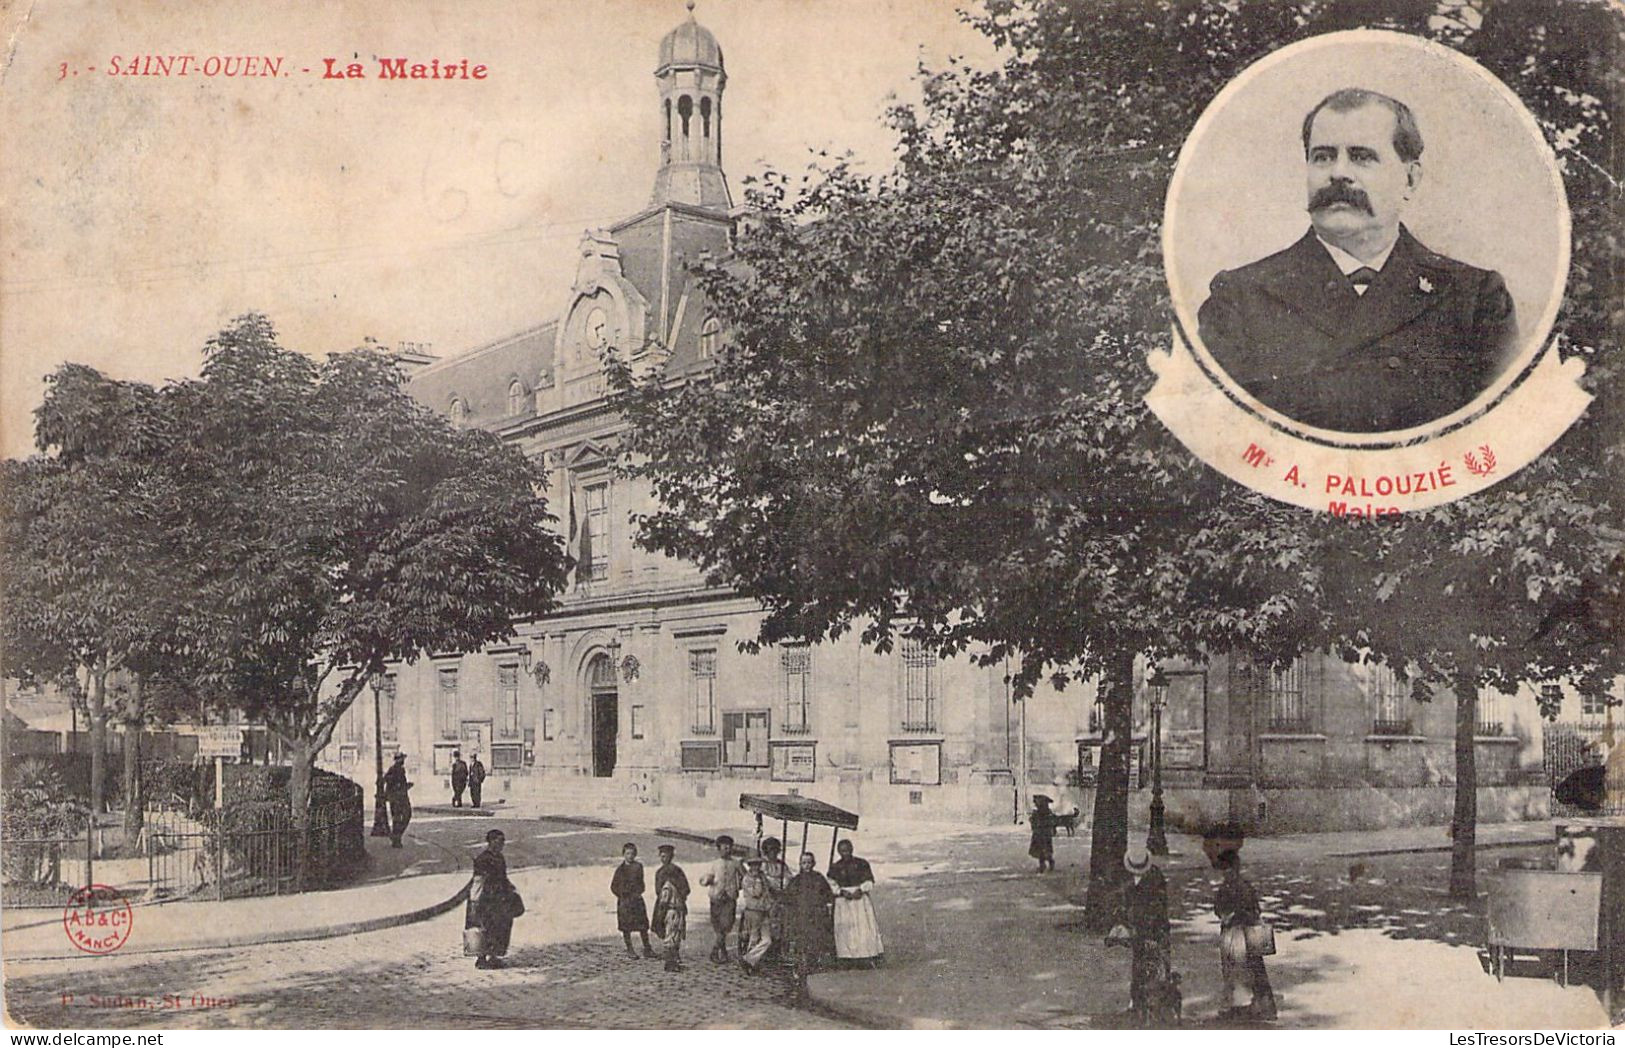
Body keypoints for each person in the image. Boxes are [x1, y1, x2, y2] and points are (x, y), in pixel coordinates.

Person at [1196, 88, 1519, 433]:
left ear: (1409, 180)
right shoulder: (1242, 298)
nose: (1338, 173)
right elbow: (1224, 438)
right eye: (1322, 157)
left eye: (1361, 157)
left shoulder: (1473, 299)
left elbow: (1497, 436)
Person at [1206, 827, 1277, 1023]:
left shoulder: (1228, 887)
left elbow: (1218, 909)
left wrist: (1230, 916)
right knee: (1253, 970)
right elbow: (1255, 910)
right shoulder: (1246, 885)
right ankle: (1261, 1006)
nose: (1225, 873)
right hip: (1248, 933)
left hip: (1234, 935)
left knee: (1235, 972)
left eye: (1226, 870)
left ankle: (1240, 1009)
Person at [1122, 845, 1175, 1025]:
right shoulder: (1134, 881)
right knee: (1140, 965)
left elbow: (1157, 910)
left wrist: (1149, 933)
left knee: (1156, 964)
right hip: (1142, 930)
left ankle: (1158, 1005)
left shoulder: (1154, 881)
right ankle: (1138, 1001)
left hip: (1154, 930)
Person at [466, 828, 522, 969]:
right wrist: (474, 901)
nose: (502, 844)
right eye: (499, 841)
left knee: (501, 927)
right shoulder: (482, 859)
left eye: (503, 841)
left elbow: (503, 877)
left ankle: (494, 956)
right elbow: (478, 880)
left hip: (500, 898)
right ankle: (481, 958)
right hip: (487, 899)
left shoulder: (500, 857)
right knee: (485, 926)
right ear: (491, 842)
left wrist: (511, 888)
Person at [783, 851, 836, 1001]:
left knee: (815, 940)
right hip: (801, 916)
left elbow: (828, 895)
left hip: (816, 916)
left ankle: (812, 963)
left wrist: (824, 906)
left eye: (809, 862)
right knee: (802, 941)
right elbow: (789, 898)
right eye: (803, 863)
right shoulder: (796, 881)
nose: (806, 865)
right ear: (800, 864)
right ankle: (801, 966)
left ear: (813, 863)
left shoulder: (819, 878)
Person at [828, 839, 884, 966]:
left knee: (863, 927)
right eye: (843, 851)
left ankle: (867, 955)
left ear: (852, 849)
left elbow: (869, 881)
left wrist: (861, 889)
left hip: (860, 900)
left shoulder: (862, 863)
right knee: (846, 928)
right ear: (839, 852)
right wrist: (841, 892)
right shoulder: (835, 867)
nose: (846, 853)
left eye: (848, 850)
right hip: (844, 901)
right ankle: (846, 957)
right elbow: (831, 884)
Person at [743, 838, 791, 970]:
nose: (773, 854)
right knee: (757, 934)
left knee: (780, 924)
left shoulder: (782, 865)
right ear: (765, 852)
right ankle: (751, 959)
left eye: (775, 851)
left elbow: (788, 878)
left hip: (778, 897)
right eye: (770, 851)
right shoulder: (761, 868)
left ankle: (776, 951)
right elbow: (760, 886)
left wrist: (783, 887)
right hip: (763, 901)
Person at [698, 834, 743, 964]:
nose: (727, 850)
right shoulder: (715, 864)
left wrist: (737, 886)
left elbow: (744, 877)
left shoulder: (736, 863)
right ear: (719, 849)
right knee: (717, 926)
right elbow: (707, 878)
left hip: (730, 897)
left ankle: (714, 951)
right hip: (716, 897)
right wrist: (706, 881)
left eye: (729, 847)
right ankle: (723, 952)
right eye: (724, 848)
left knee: (727, 924)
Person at [611, 842, 655, 959]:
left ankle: (647, 949)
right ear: (623, 854)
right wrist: (622, 895)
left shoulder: (638, 867)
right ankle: (630, 949)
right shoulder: (619, 870)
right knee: (626, 927)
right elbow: (613, 886)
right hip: (625, 902)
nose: (630, 856)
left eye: (632, 853)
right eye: (627, 853)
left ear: (635, 854)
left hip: (636, 900)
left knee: (643, 926)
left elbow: (641, 883)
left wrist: (638, 892)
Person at [652, 843, 690, 972]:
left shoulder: (677, 871)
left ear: (671, 856)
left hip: (677, 907)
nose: (664, 859)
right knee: (671, 934)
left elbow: (686, 889)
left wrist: (679, 898)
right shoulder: (659, 873)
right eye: (662, 856)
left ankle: (673, 959)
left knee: (676, 933)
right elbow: (659, 892)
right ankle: (670, 962)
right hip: (667, 908)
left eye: (666, 856)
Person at [737, 856, 773, 973]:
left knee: (767, 940)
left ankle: (748, 959)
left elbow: (769, 890)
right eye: (753, 865)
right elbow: (756, 893)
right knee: (754, 938)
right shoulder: (747, 879)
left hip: (764, 910)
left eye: (758, 864)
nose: (756, 867)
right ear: (750, 866)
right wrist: (758, 880)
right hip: (753, 911)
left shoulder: (762, 877)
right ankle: (750, 964)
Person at [382, 753, 412, 848]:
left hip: (398, 797)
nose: (403, 761)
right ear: (398, 760)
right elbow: (388, 781)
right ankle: (396, 838)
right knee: (403, 816)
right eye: (402, 759)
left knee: (400, 818)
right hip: (398, 798)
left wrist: (406, 786)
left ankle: (396, 837)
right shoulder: (395, 769)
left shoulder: (398, 769)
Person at [1029, 795, 1057, 872]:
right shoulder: (1039, 812)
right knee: (1040, 850)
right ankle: (1043, 865)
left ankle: (1049, 863)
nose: (1036, 804)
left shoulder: (1046, 813)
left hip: (1043, 834)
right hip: (1039, 834)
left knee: (1044, 850)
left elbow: (1050, 822)